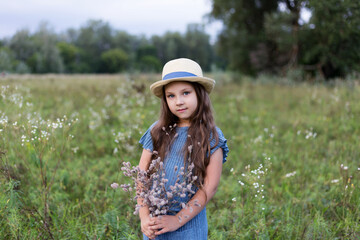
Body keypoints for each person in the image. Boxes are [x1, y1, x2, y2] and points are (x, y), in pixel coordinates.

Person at [138, 58, 229, 240]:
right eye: (171, 96)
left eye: (185, 93)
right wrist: (144, 217)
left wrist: (177, 220)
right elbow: (142, 176)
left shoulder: (211, 136)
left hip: (188, 226)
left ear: (200, 94)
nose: (178, 101)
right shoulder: (156, 131)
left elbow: (210, 187)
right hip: (155, 226)